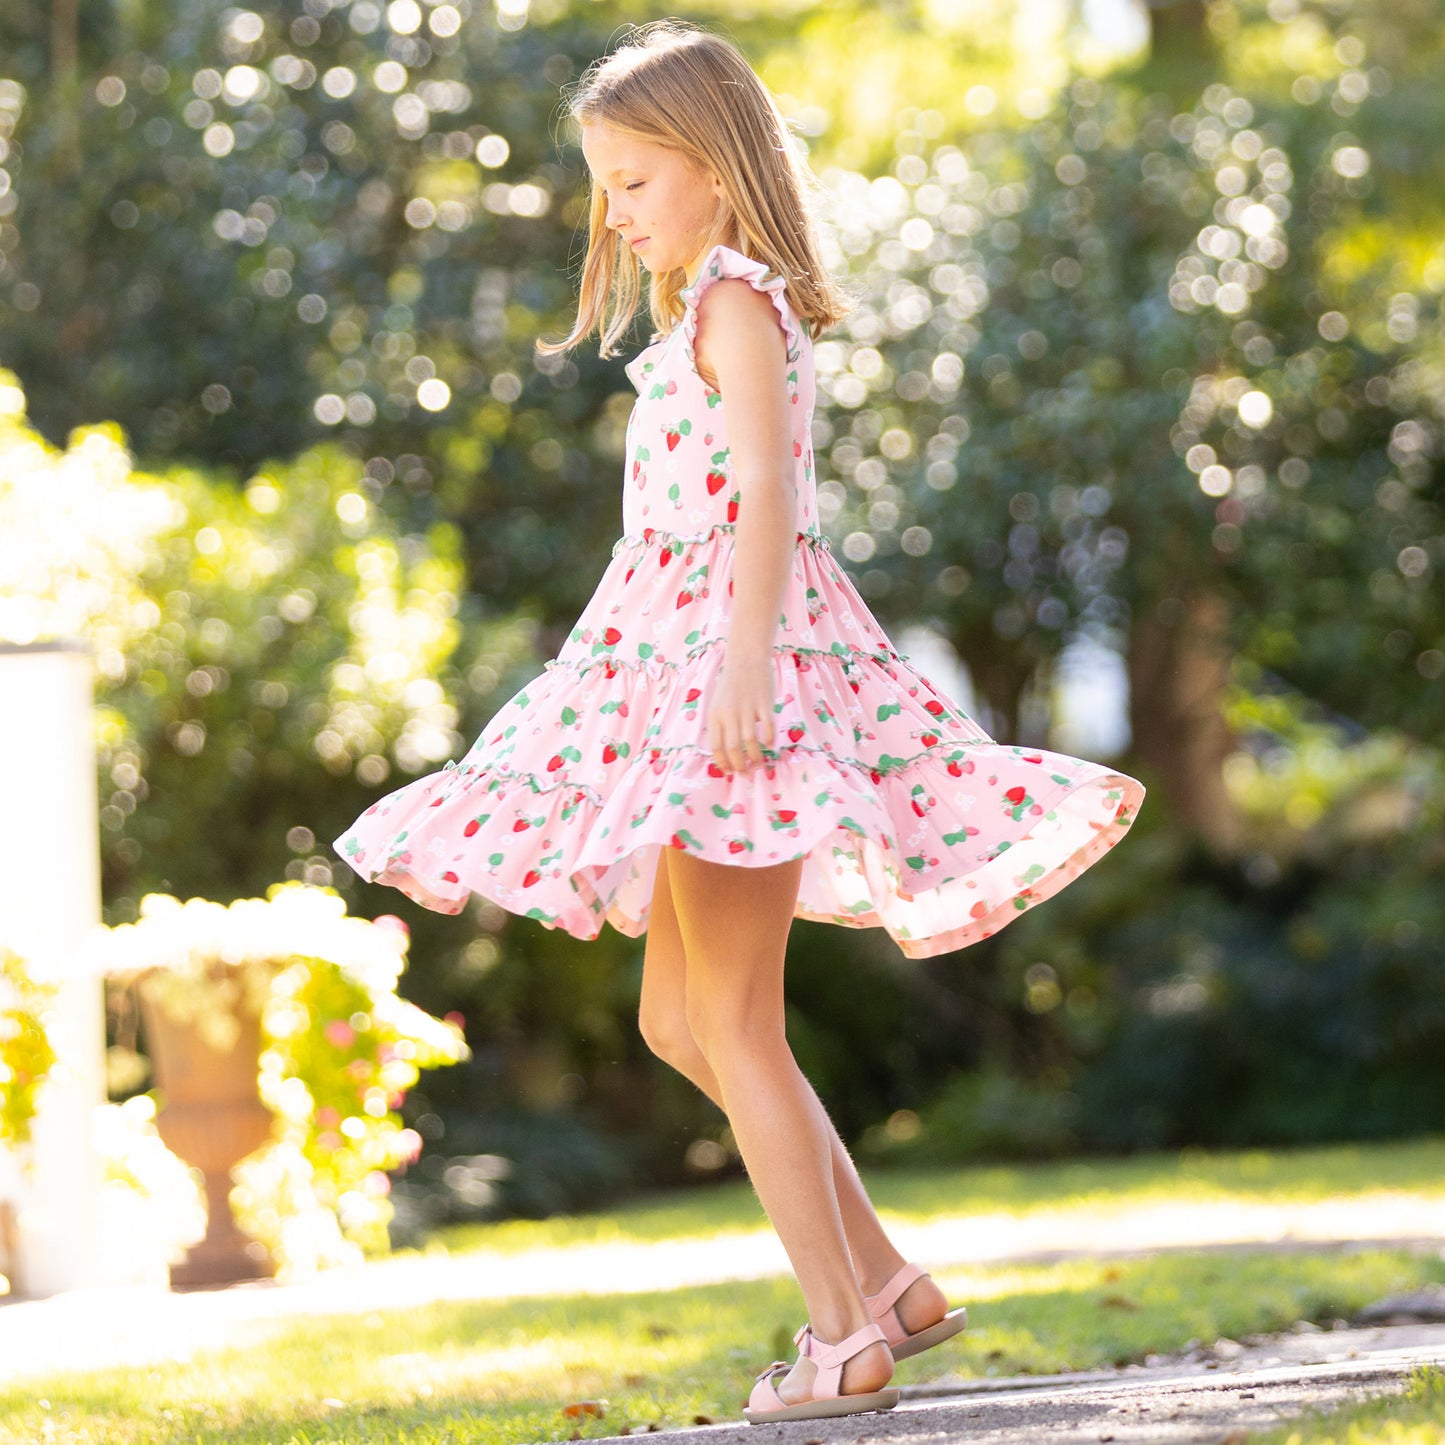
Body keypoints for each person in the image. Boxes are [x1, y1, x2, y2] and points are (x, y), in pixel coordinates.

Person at [333, 17, 1146, 1425]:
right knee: (678, 1016)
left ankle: (843, 1334)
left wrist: (742, 666)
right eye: (607, 187)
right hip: (670, 670)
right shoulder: (695, 311)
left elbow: (767, 495)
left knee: (733, 1019)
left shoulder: (733, 305)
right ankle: (882, 1280)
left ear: (712, 168)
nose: (615, 213)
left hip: (729, 680)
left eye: (635, 181)